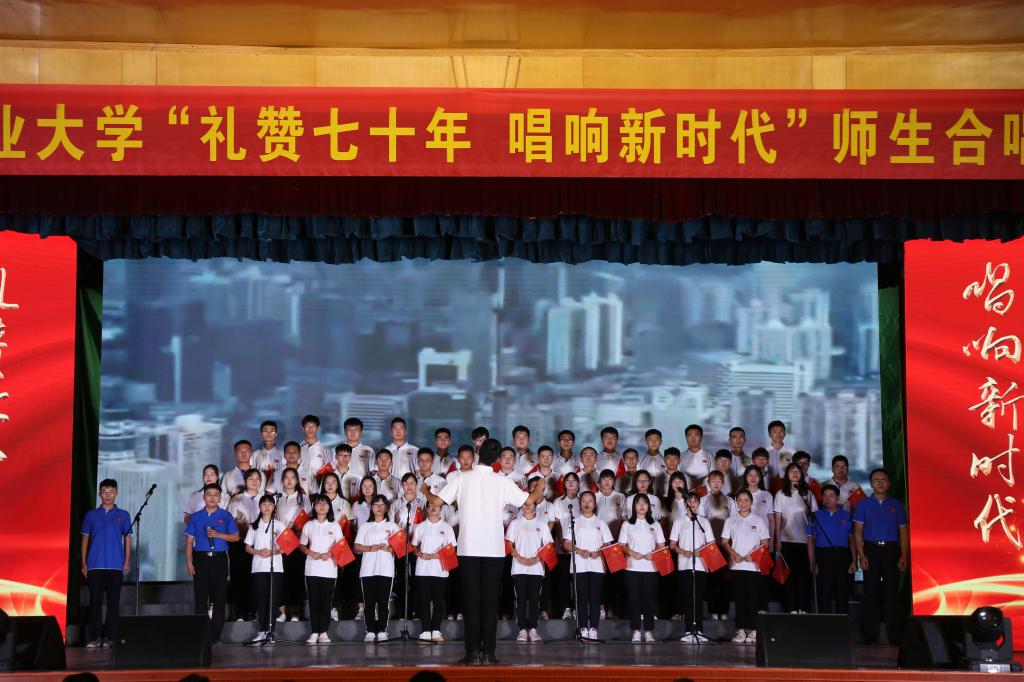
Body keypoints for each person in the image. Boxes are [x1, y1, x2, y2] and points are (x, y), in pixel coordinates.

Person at [422, 438, 546, 665]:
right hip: (494, 550)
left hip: (468, 548)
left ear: (478, 453)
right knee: (490, 603)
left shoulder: (462, 477)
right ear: (497, 459)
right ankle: (489, 653)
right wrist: (540, 484)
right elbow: (529, 500)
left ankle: (472, 654)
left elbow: (437, 501)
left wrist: (424, 490)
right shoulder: (503, 481)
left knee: (471, 602)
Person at [854, 468, 909, 645]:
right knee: (871, 592)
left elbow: (903, 531)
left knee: (892, 592)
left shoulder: (896, 505)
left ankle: (894, 636)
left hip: (891, 550)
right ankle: (870, 635)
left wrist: (904, 556)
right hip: (871, 549)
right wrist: (861, 555)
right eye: (876, 480)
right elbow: (858, 531)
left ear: (889, 483)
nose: (880, 483)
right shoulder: (863, 504)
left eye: (883, 480)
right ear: (871, 484)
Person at [184, 483, 240, 643]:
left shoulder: (226, 515)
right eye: (209, 494)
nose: (212, 497)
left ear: (220, 498)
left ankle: (216, 635)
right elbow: (189, 542)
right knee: (201, 598)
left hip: (219, 560)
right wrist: (189, 562)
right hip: (200, 559)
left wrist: (218, 535)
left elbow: (236, 537)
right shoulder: (195, 517)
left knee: (219, 598)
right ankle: (201, 635)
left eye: (216, 495)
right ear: (204, 497)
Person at [80, 478, 132, 648]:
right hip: (94, 565)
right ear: (99, 494)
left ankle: (111, 637)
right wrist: (84, 562)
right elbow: (85, 539)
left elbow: (128, 539)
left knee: (113, 603)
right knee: (95, 602)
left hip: (116, 566)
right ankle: (94, 638)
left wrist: (127, 561)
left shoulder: (123, 514)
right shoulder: (91, 515)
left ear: (116, 493)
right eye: (104, 492)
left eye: (111, 492)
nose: (108, 495)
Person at [721, 489, 770, 645]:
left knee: (753, 598)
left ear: (751, 502)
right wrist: (733, 553)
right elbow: (724, 541)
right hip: (736, 565)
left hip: (754, 566)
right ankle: (740, 630)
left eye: (746, 500)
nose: (743, 503)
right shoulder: (730, 520)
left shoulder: (759, 520)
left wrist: (754, 556)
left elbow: (765, 542)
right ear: (736, 502)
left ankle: (753, 630)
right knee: (739, 598)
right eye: (740, 500)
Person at [563, 490, 612, 640]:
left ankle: (594, 628)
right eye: (584, 501)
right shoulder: (574, 522)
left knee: (595, 597)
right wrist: (579, 551)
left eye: (590, 501)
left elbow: (608, 544)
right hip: (579, 565)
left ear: (594, 504)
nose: (587, 504)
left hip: (597, 565)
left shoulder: (601, 523)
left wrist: (600, 551)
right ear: (580, 504)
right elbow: (566, 544)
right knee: (581, 597)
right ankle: (583, 627)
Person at [618, 493, 665, 643]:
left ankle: (649, 632)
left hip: (651, 568)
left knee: (649, 601)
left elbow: (662, 545)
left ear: (649, 506)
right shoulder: (627, 524)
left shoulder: (655, 524)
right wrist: (632, 553)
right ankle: (636, 631)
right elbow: (621, 545)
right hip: (632, 567)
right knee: (634, 600)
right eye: (638, 503)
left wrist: (654, 554)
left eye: (645, 503)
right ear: (634, 506)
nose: (642, 506)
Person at [353, 494, 400, 642]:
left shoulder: (392, 526)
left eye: (381, 504)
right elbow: (356, 546)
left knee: (383, 602)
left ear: (386, 507)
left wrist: (390, 548)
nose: (378, 507)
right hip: (368, 569)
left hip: (386, 569)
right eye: (375, 504)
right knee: (369, 602)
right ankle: (370, 631)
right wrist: (369, 548)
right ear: (371, 508)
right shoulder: (365, 526)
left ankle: (382, 630)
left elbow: (401, 547)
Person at [670, 491, 714, 644]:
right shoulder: (679, 521)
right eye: (689, 501)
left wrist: (700, 552)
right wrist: (683, 552)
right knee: (688, 597)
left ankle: (699, 630)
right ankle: (689, 630)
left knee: (698, 597)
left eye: (695, 501)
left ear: (699, 504)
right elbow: (672, 544)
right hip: (685, 564)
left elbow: (711, 543)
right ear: (685, 504)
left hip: (701, 565)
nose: (692, 504)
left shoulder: (704, 522)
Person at [299, 495, 343, 645]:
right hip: (312, 568)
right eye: (319, 503)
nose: (322, 506)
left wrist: (330, 554)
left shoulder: (335, 526)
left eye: (325, 503)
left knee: (326, 602)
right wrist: (311, 552)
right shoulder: (309, 525)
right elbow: (302, 545)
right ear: (314, 507)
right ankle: (314, 632)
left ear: (329, 507)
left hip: (329, 569)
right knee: (314, 601)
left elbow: (341, 546)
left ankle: (324, 632)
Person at [507, 500, 553, 642]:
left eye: (530, 504)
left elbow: (548, 545)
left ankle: (533, 629)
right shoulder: (515, 524)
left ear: (535, 506)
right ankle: (522, 630)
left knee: (535, 599)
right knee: (520, 599)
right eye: (525, 504)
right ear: (521, 506)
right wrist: (519, 557)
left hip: (536, 567)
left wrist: (536, 559)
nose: (527, 507)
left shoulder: (542, 524)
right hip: (519, 567)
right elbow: (508, 544)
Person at [774, 462, 817, 614]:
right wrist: (777, 539)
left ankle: (803, 607)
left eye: (797, 471)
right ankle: (791, 607)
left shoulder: (808, 494)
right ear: (787, 475)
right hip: (787, 540)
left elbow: (814, 516)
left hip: (805, 540)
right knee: (789, 576)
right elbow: (778, 518)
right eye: (791, 471)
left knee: (803, 575)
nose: (795, 473)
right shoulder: (781, 494)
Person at [412, 500, 457, 643]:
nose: (433, 508)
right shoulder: (420, 527)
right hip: (423, 569)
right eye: (430, 506)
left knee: (438, 601)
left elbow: (452, 549)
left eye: (436, 506)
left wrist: (439, 555)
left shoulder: (447, 527)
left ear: (441, 508)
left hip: (440, 570)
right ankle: (425, 630)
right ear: (426, 508)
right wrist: (420, 554)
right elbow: (413, 547)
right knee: (424, 601)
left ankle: (436, 630)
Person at [808, 484, 855, 614]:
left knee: (843, 591)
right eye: (825, 496)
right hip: (823, 556)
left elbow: (851, 539)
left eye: (831, 496)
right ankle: (825, 623)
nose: (827, 499)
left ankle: (842, 622)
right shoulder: (815, 516)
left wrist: (854, 560)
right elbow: (810, 541)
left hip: (842, 555)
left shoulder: (847, 515)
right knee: (824, 591)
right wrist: (812, 562)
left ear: (837, 498)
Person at [244, 493, 284, 644]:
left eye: (270, 504)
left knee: (272, 600)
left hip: (275, 568)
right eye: (264, 504)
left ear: (274, 507)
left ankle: (270, 632)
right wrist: (258, 551)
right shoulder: (254, 526)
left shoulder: (279, 525)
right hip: (258, 567)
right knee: (261, 600)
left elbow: (287, 547)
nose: (267, 507)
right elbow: (247, 547)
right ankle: (261, 631)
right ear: (260, 507)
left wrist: (273, 552)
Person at [698, 470, 736, 621]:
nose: (716, 483)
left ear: (723, 483)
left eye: (719, 481)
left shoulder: (730, 501)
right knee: (712, 580)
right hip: (711, 546)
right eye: (713, 481)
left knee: (725, 580)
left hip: (725, 545)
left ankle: (724, 610)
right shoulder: (703, 500)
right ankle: (713, 610)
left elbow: (733, 523)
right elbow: (701, 523)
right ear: (708, 483)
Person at [275, 467, 311, 622]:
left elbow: (309, 519)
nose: (289, 481)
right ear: (282, 480)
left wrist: (297, 527)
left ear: (297, 481)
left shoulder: (303, 498)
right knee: (282, 578)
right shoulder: (277, 498)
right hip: (281, 543)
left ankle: (296, 612)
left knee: (297, 578)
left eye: (293, 477)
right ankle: (282, 611)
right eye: (286, 477)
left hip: (298, 543)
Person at [226, 468, 262, 622]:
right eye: (250, 479)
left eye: (257, 479)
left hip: (258, 545)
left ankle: (252, 612)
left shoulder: (265, 499)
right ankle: (239, 613)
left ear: (261, 482)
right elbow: (229, 522)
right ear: (245, 481)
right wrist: (238, 525)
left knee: (255, 579)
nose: (254, 481)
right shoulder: (237, 499)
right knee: (239, 578)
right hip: (239, 544)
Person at [320, 472, 355, 620]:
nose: (330, 485)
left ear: (338, 485)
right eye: (327, 482)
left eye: (333, 482)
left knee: (337, 579)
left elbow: (349, 526)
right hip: (321, 546)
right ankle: (322, 608)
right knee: (322, 579)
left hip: (339, 546)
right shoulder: (318, 501)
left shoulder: (344, 503)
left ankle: (334, 608)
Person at [551, 471, 581, 620]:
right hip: (563, 546)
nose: (570, 482)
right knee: (563, 579)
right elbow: (557, 524)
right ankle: (566, 608)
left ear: (578, 484)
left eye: (573, 480)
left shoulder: (582, 500)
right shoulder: (558, 502)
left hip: (579, 547)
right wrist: (560, 542)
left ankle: (577, 608)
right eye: (567, 480)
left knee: (577, 579)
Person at [299, 415, 328, 490]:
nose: (310, 429)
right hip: (298, 488)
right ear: (303, 429)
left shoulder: (325, 450)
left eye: (313, 426)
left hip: (317, 490)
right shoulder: (296, 449)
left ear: (318, 429)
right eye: (307, 426)